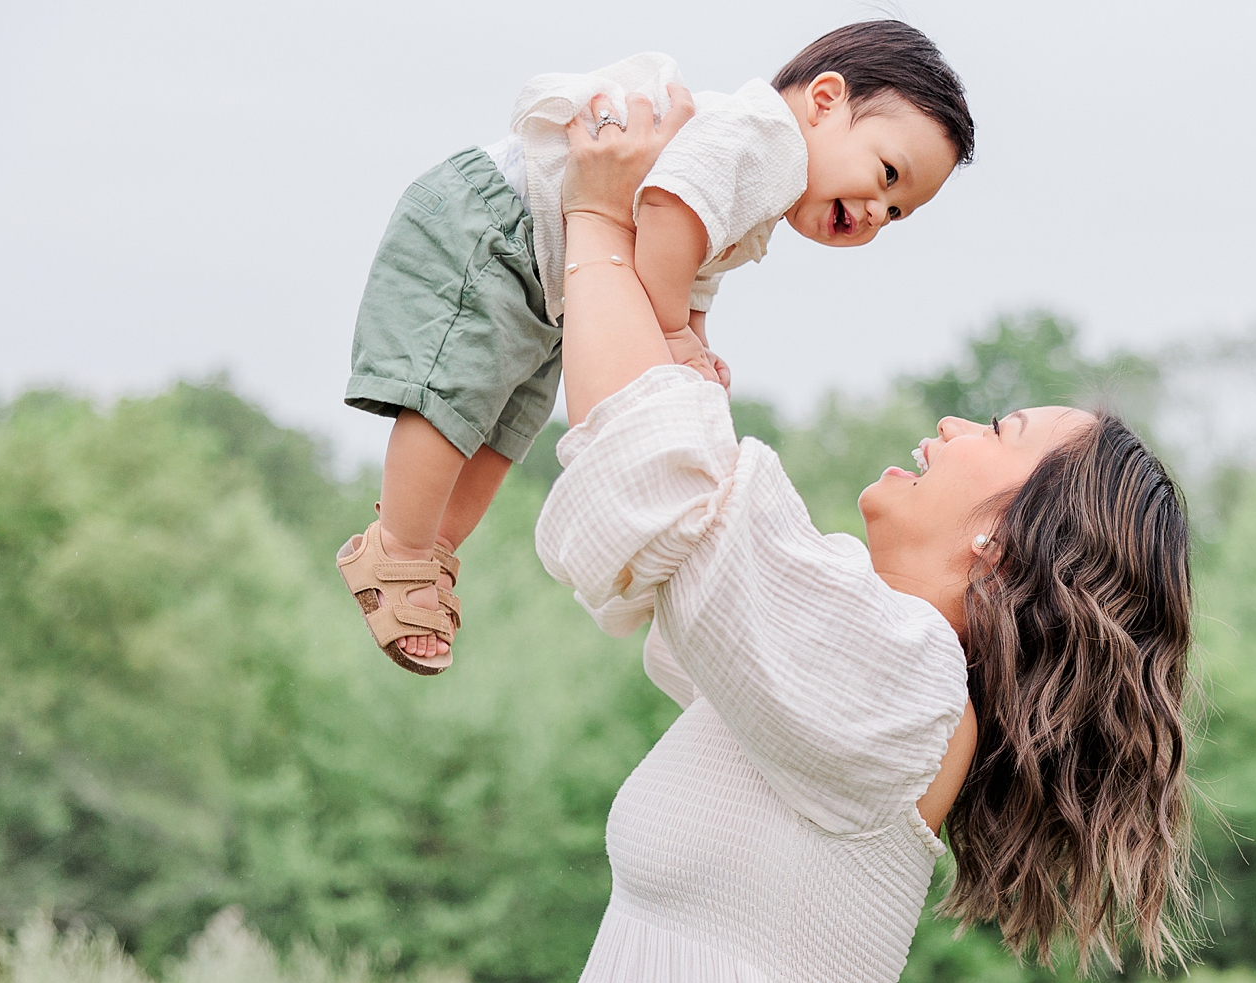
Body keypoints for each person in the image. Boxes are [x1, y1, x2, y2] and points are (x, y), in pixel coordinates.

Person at [516, 91, 1198, 983]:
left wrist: (598, 220)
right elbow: (672, 495)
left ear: (1007, 534)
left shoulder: (893, 685)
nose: (947, 424)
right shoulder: (850, 663)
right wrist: (671, 265)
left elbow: (653, 460)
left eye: (994, 429)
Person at [334, 21, 974, 675]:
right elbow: (670, 208)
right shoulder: (762, 139)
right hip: (494, 224)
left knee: (506, 424)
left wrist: (694, 336)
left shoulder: (770, 187)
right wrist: (669, 331)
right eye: (887, 173)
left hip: (541, 275)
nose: (878, 210)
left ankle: (434, 544)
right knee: (455, 395)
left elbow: (694, 266)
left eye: (897, 212)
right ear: (824, 99)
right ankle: (399, 551)